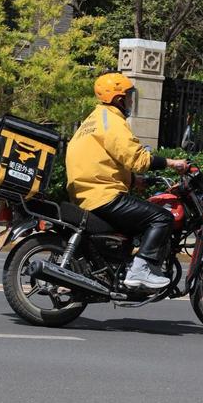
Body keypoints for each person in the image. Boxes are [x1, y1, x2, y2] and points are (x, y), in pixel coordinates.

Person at [65, 73, 189, 290]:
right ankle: (139, 270)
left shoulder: (92, 120)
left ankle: (125, 267)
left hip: (88, 192)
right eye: (129, 97)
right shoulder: (112, 122)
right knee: (162, 218)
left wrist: (133, 181)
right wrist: (172, 163)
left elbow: (102, 162)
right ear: (118, 99)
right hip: (103, 195)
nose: (131, 102)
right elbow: (137, 158)